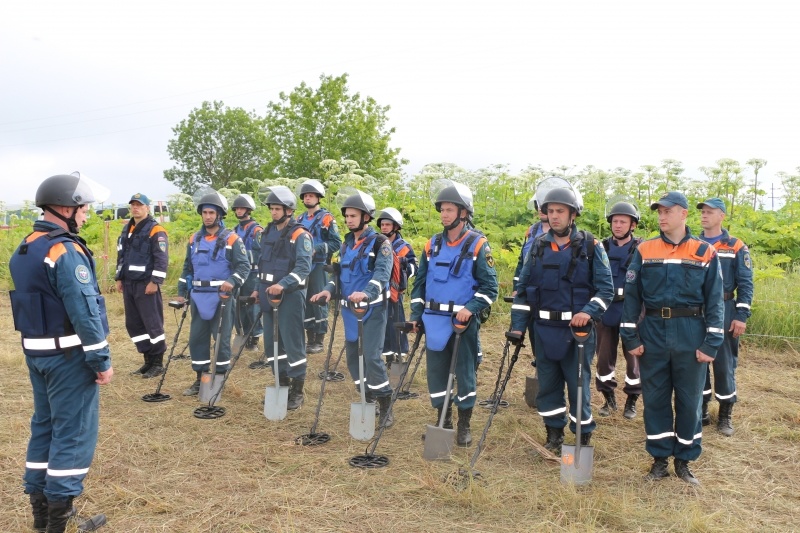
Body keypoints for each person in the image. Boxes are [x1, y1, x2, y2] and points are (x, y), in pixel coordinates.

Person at [9, 172, 114, 533]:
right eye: (83, 207)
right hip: (69, 357)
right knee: (73, 433)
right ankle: (59, 523)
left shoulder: (25, 246)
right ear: (66, 207)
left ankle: (41, 516)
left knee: (44, 428)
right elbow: (84, 311)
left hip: (37, 355)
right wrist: (101, 360)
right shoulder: (63, 249)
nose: (86, 214)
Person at [620, 191, 724, 486]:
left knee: (690, 402)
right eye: (659, 212)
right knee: (655, 399)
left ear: (683, 214)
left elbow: (715, 301)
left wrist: (711, 343)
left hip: (690, 333)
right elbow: (632, 298)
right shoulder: (644, 250)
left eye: (667, 212)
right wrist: (630, 336)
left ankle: (684, 461)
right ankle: (659, 459)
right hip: (652, 331)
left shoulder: (704, 252)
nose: (662, 217)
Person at [510, 187, 613, 454]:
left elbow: (606, 290)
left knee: (578, 387)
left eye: (560, 211)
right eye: (550, 211)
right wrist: (518, 327)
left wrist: (588, 312)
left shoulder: (592, 246)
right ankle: (553, 434)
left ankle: (581, 437)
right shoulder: (536, 246)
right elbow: (522, 290)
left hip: (576, 333)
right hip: (543, 330)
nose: (554, 216)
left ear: (573, 214)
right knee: (548, 385)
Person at [410, 182, 498, 447]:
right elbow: (419, 285)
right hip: (433, 321)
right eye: (442, 210)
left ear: (463, 212)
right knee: (436, 374)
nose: (444, 214)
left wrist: (469, 310)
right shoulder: (431, 245)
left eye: (450, 209)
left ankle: (464, 424)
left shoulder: (478, 245)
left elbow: (489, 287)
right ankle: (443, 420)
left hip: (462, 323)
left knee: (465, 372)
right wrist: (416, 314)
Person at [310, 190, 395, 428]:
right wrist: (328, 290)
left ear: (366, 217)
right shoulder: (347, 244)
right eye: (347, 215)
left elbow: (382, 274)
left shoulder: (381, 243)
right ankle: (366, 398)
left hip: (373, 309)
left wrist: (367, 293)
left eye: (353, 215)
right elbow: (340, 274)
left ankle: (386, 403)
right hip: (348, 311)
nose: (348, 219)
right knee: (352, 359)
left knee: (370, 356)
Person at [175, 190, 250, 396]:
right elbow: (187, 268)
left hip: (222, 297)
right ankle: (200, 378)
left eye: (211, 212)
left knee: (222, 339)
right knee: (197, 338)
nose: (208, 216)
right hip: (199, 296)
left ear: (219, 215)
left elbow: (244, 267)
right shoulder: (194, 239)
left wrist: (232, 281)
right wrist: (182, 292)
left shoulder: (232, 239)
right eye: (205, 212)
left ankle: (218, 378)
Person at [252, 186, 313, 410]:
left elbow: (304, 267)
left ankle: (297, 391)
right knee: (271, 345)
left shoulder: (301, 234)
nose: (274, 212)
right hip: (268, 296)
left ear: (289, 210)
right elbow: (263, 264)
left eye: (277, 209)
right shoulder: (267, 232)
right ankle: (281, 384)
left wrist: (283, 284)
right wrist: (259, 288)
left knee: (293, 344)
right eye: (272, 209)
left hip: (291, 297)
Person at [697, 197, 753, 436]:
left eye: (710, 212)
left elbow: (746, 284)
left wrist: (741, 315)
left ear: (722, 215)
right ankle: (701, 410)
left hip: (725, 308)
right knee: (697, 360)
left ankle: (725, 413)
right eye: (702, 212)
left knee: (723, 362)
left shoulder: (736, 246)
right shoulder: (693, 244)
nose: (704, 215)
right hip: (696, 311)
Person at [595, 201, 643, 419]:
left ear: (632, 225)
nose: (618, 225)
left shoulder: (641, 249)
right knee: (604, 356)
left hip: (631, 308)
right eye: (615, 221)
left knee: (634, 356)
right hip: (605, 308)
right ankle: (608, 398)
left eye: (623, 221)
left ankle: (632, 400)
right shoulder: (601, 247)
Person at [115, 192, 169, 379]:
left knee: (152, 324)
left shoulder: (156, 230)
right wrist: (119, 278)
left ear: (147, 208)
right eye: (133, 205)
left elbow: (161, 258)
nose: (136, 208)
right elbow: (121, 256)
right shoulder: (127, 229)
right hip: (129, 283)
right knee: (134, 324)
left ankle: (158, 363)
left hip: (146, 284)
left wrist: (155, 281)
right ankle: (147, 361)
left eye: (140, 205)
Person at [295, 179, 341, 353]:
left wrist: (316, 248)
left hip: (319, 265)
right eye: (306, 195)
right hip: (302, 266)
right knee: (305, 301)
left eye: (311, 195)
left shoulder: (327, 218)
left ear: (318, 198)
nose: (308, 198)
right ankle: (310, 338)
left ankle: (319, 339)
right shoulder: (299, 218)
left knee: (319, 301)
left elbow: (336, 242)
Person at [376, 207, 417, 366]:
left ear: (396, 227)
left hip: (396, 293)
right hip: (380, 292)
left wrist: (403, 267)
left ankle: (400, 358)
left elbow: (414, 268)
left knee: (397, 325)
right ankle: (388, 358)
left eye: (387, 224)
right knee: (384, 326)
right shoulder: (378, 243)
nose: (384, 227)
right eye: (382, 224)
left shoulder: (403, 246)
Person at [231, 194, 264, 352]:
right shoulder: (234, 230)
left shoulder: (257, 230)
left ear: (249, 209)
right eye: (236, 208)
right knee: (239, 304)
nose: (239, 210)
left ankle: (255, 337)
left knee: (252, 304)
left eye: (242, 208)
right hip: (239, 272)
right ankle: (243, 334)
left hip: (253, 272)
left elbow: (264, 253)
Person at [512, 197, 550, 290]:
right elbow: (521, 262)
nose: (540, 209)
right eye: (537, 205)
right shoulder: (531, 230)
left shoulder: (562, 235)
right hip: (527, 287)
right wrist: (516, 288)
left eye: (543, 206)